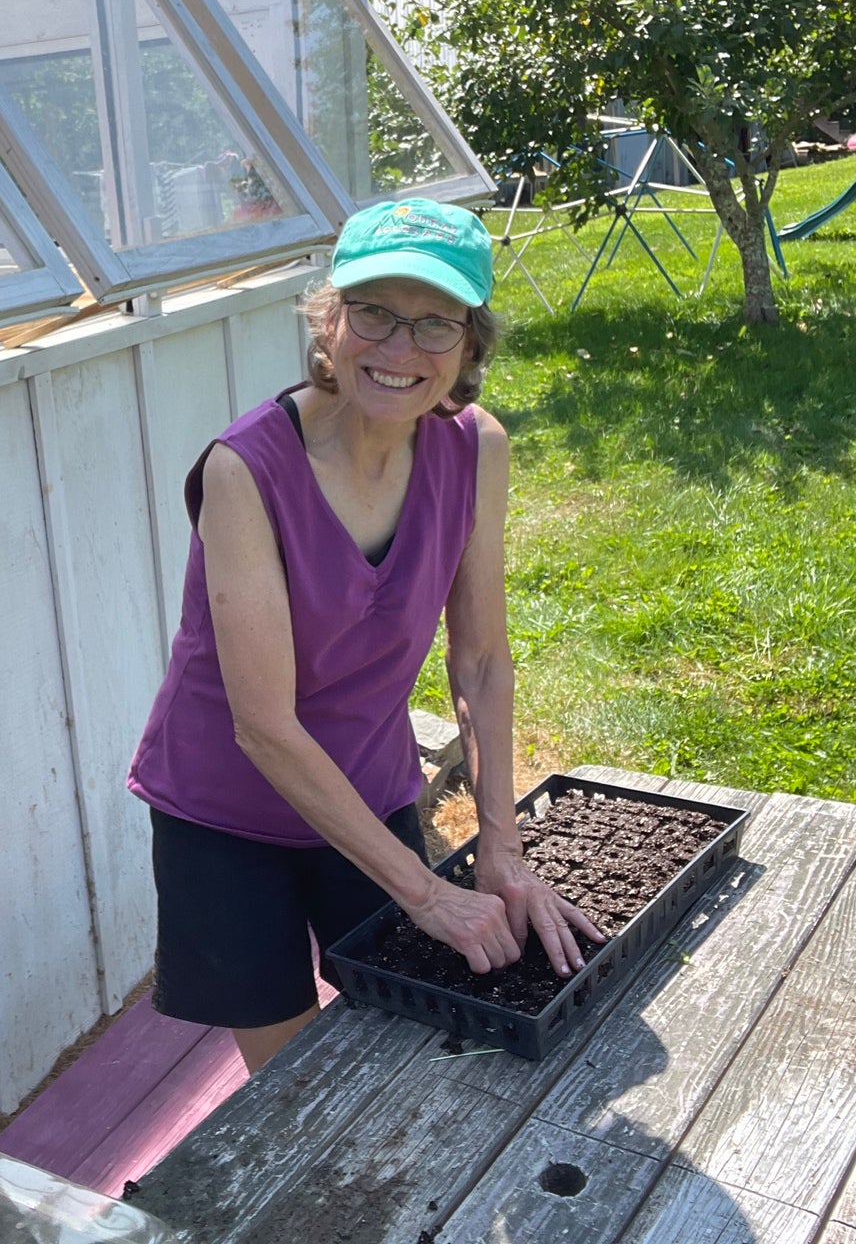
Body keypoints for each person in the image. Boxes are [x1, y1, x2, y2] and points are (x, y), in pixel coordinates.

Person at [128, 198, 603, 1071]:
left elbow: (483, 658)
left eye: (433, 324)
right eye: (374, 313)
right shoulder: (246, 469)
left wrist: (501, 841)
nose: (398, 348)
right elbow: (264, 724)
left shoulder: (475, 449)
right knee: (295, 1080)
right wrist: (427, 892)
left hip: (369, 784)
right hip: (225, 814)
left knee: (404, 1039)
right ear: (329, 321)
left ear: (470, 344)